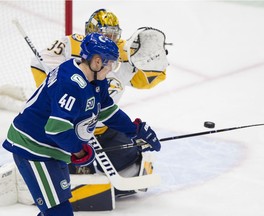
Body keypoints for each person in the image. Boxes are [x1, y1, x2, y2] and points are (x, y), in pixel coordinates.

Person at [2, 32, 161, 216]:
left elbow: (108, 111)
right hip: (34, 148)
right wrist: (80, 151)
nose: (111, 68)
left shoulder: (96, 80)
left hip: (53, 149)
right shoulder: (71, 84)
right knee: (58, 211)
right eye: (109, 63)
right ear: (96, 61)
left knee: (55, 209)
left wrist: (135, 130)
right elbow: (57, 130)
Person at [30, 9, 169, 197]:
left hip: (103, 125)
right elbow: (39, 63)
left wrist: (155, 65)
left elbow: (143, 81)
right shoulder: (72, 44)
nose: (109, 39)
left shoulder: (124, 53)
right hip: (68, 126)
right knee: (68, 179)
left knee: (132, 172)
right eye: (104, 33)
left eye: (113, 34)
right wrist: (58, 92)